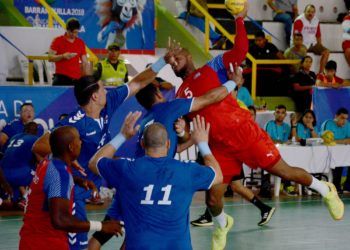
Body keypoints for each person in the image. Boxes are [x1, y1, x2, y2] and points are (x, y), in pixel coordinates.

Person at [173, 4, 344, 249]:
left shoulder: (212, 68)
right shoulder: (180, 95)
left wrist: (240, 20)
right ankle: (222, 224)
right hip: (219, 146)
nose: (174, 61)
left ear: (189, 56)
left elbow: (241, 50)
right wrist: (183, 134)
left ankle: (325, 189)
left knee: (284, 172)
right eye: (171, 61)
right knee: (213, 198)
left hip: (245, 133)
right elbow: (191, 131)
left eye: (177, 56)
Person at [88, 61, 241, 250]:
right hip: (155, 183)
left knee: (103, 241)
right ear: (159, 93)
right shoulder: (171, 108)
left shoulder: (146, 122)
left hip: (132, 183)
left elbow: (165, 152)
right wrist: (232, 83)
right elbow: (209, 98)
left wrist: (190, 139)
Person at [32, 52, 174, 249]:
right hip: (74, 194)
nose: (107, 91)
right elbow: (39, 146)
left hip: (92, 185)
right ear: (94, 96)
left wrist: (163, 61)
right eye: (102, 89)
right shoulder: (75, 122)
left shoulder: (108, 104)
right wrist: (67, 165)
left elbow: (138, 83)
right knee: (75, 244)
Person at [89, 113, 223, 250]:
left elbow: (94, 162)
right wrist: (202, 144)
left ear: (142, 144)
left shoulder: (126, 170)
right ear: (168, 144)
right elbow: (218, 175)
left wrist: (122, 135)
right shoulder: (186, 171)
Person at [19, 126, 122, 250]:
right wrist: (101, 226)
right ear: (71, 147)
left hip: (31, 240)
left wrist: (78, 180)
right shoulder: (60, 174)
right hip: (46, 243)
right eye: (78, 139)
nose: (81, 142)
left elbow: (52, 181)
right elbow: (60, 220)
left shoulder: (47, 163)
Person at [0, 122, 38, 208]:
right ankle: (26, 198)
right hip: (19, 174)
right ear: (36, 132)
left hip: (3, 174)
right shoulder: (36, 139)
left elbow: (3, 153)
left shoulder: (14, 137)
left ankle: (8, 200)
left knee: (11, 202)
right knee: (41, 169)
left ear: (24, 129)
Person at [49, 18, 88, 86]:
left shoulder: (80, 42)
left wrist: (87, 78)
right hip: (61, 77)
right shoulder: (57, 40)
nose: (73, 34)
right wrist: (63, 56)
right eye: (71, 32)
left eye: (75, 32)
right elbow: (50, 58)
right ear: (66, 29)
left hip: (76, 78)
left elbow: (85, 62)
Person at [292, 4, 330, 73]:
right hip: (301, 44)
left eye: (312, 12)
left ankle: (320, 74)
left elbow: (318, 35)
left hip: (312, 44)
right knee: (303, 54)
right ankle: (302, 73)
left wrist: (319, 46)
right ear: (304, 12)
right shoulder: (299, 20)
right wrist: (299, 47)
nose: (310, 14)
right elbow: (296, 37)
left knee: (326, 52)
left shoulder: (316, 20)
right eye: (308, 11)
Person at [321, 108, 350, 192]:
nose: (344, 121)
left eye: (346, 118)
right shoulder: (328, 124)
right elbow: (326, 140)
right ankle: (335, 186)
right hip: (328, 153)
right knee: (337, 163)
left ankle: (347, 186)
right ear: (336, 116)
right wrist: (344, 141)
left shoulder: (347, 124)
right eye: (342, 118)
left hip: (343, 152)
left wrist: (337, 141)